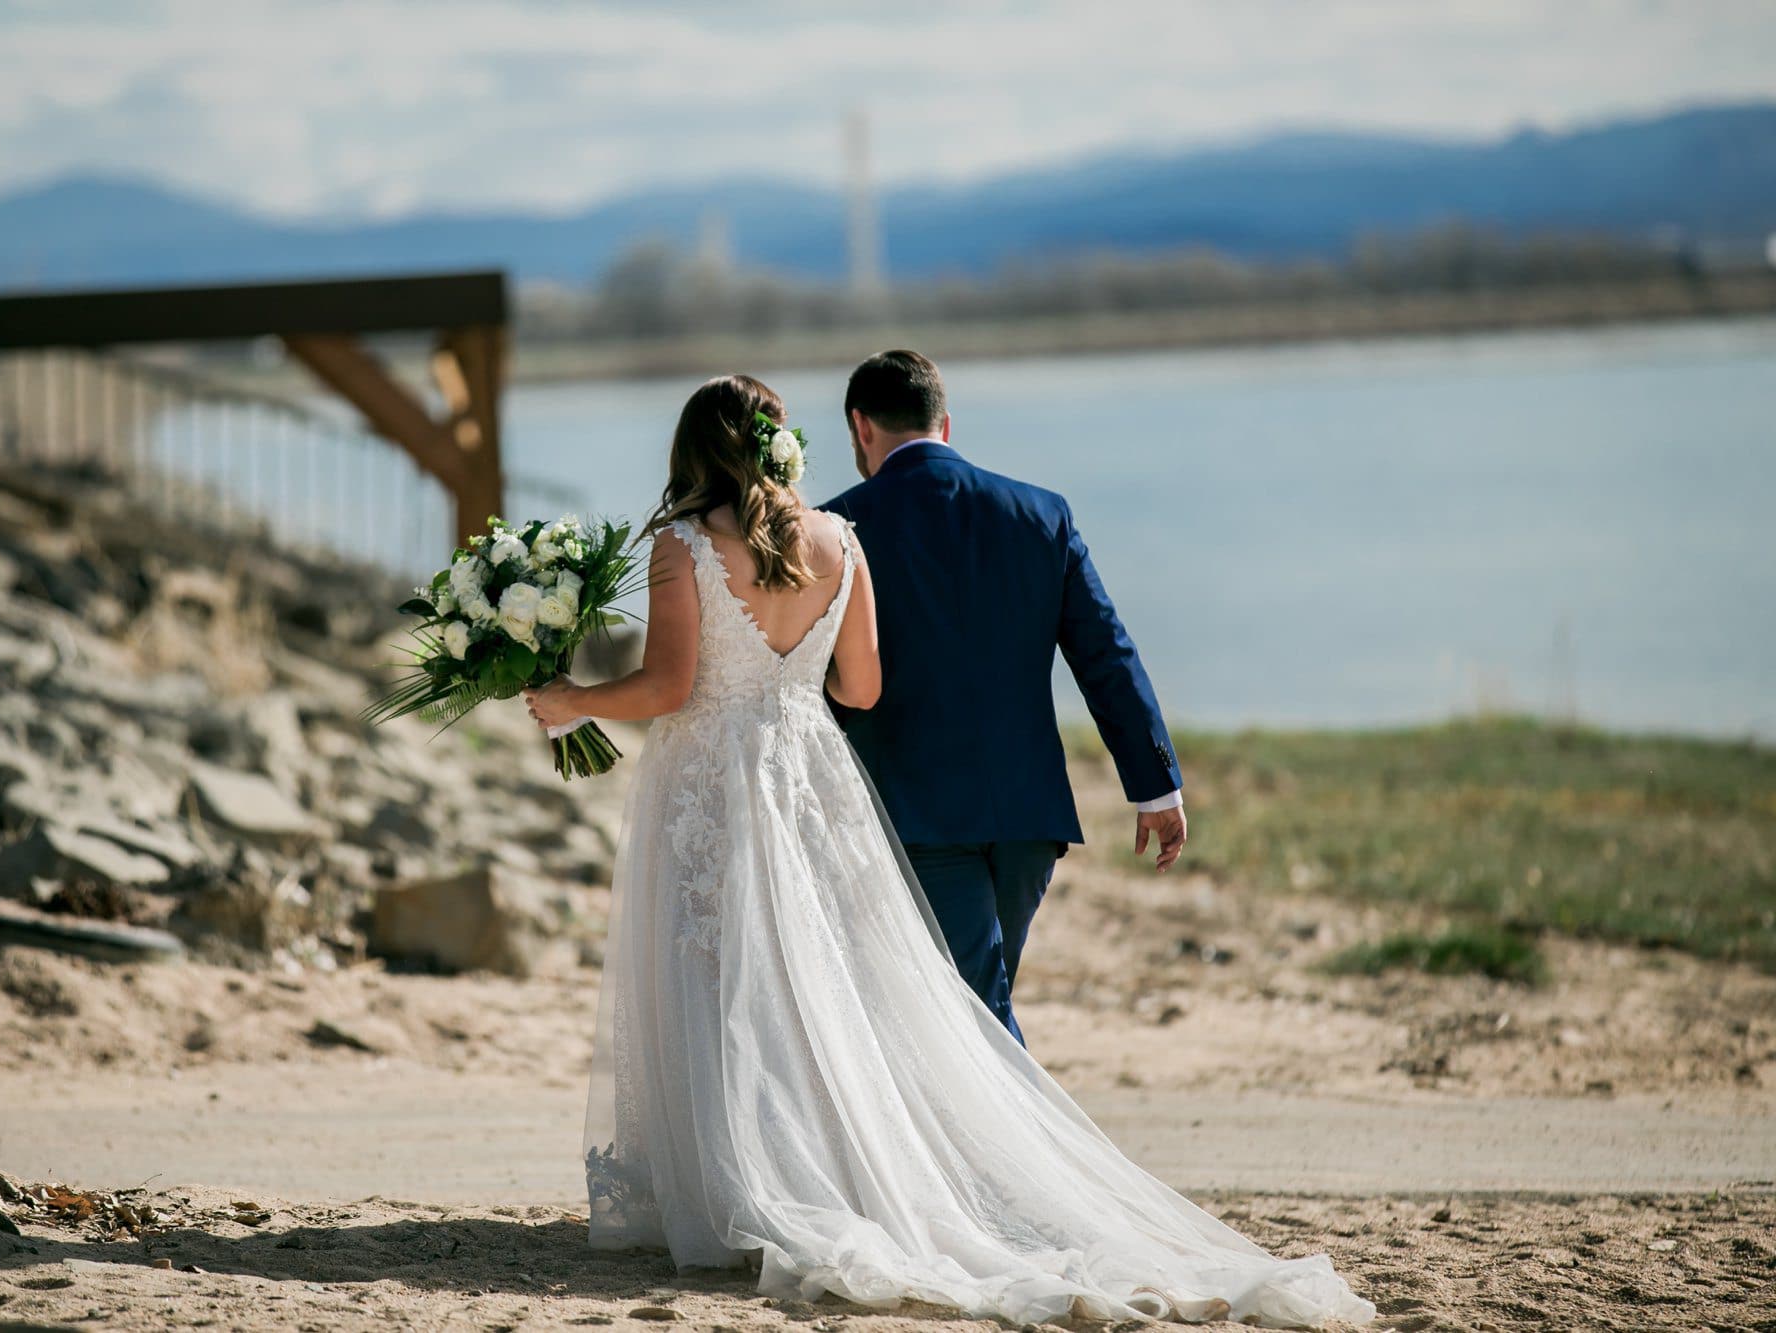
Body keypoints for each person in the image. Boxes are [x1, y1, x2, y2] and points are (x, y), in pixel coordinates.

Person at [523, 374, 1372, 1327]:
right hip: (830, 786)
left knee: (725, 979)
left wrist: (574, 699)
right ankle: (875, 1177)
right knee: (839, 994)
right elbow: (867, 685)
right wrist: (786, 683)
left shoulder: (683, 545)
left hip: (722, 780)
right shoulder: (844, 541)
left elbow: (672, 686)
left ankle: (770, 1191)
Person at [822, 349, 1184, 1042]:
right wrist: (1155, 785)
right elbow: (1106, 653)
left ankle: (1019, 1154)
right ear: (945, 424)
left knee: (972, 1020)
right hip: (1028, 817)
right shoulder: (1042, 515)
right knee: (971, 1011)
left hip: (915, 812)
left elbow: (817, 677)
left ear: (861, 428)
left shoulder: (837, 529)